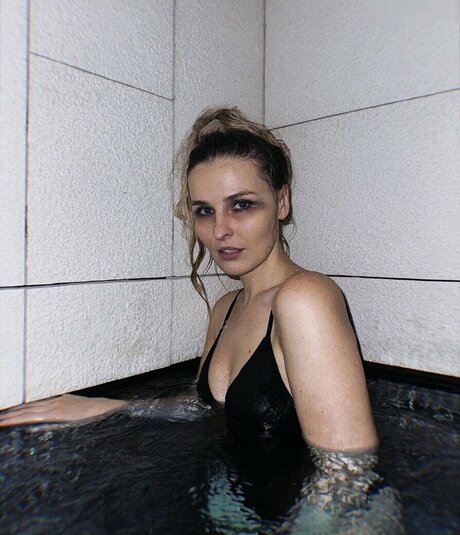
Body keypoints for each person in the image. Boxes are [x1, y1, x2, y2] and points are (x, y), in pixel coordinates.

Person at [0, 107, 378, 456]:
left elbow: (347, 469)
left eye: (241, 205)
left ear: (282, 202)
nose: (220, 230)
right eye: (204, 211)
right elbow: (201, 407)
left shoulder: (306, 298)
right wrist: (110, 406)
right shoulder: (226, 308)